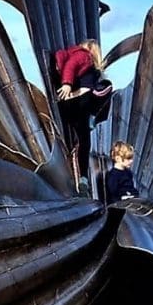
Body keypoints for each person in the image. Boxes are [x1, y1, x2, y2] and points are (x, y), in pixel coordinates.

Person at [53, 40, 111, 192]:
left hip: (72, 106)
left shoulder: (82, 60)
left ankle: (83, 178)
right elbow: (71, 66)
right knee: (108, 86)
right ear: (92, 49)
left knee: (84, 141)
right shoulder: (84, 55)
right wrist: (67, 83)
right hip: (79, 103)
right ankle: (93, 116)